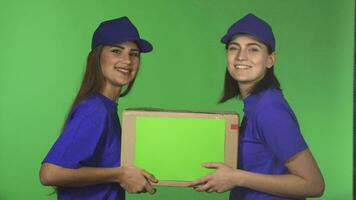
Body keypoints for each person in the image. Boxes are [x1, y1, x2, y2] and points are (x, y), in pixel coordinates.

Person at [189, 13, 325, 199]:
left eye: (253, 49)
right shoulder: (254, 104)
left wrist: (237, 178)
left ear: (270, 59)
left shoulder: (269, 109)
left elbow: (313, 185)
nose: (241, 57)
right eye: (233, 48)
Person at [39, 16, 158, 200]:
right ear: (97, 57)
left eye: (134, 54)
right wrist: (119, 174)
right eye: (116, 51)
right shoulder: (95, 110)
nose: (127, 60)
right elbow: (50, 173)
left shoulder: (107, 108)